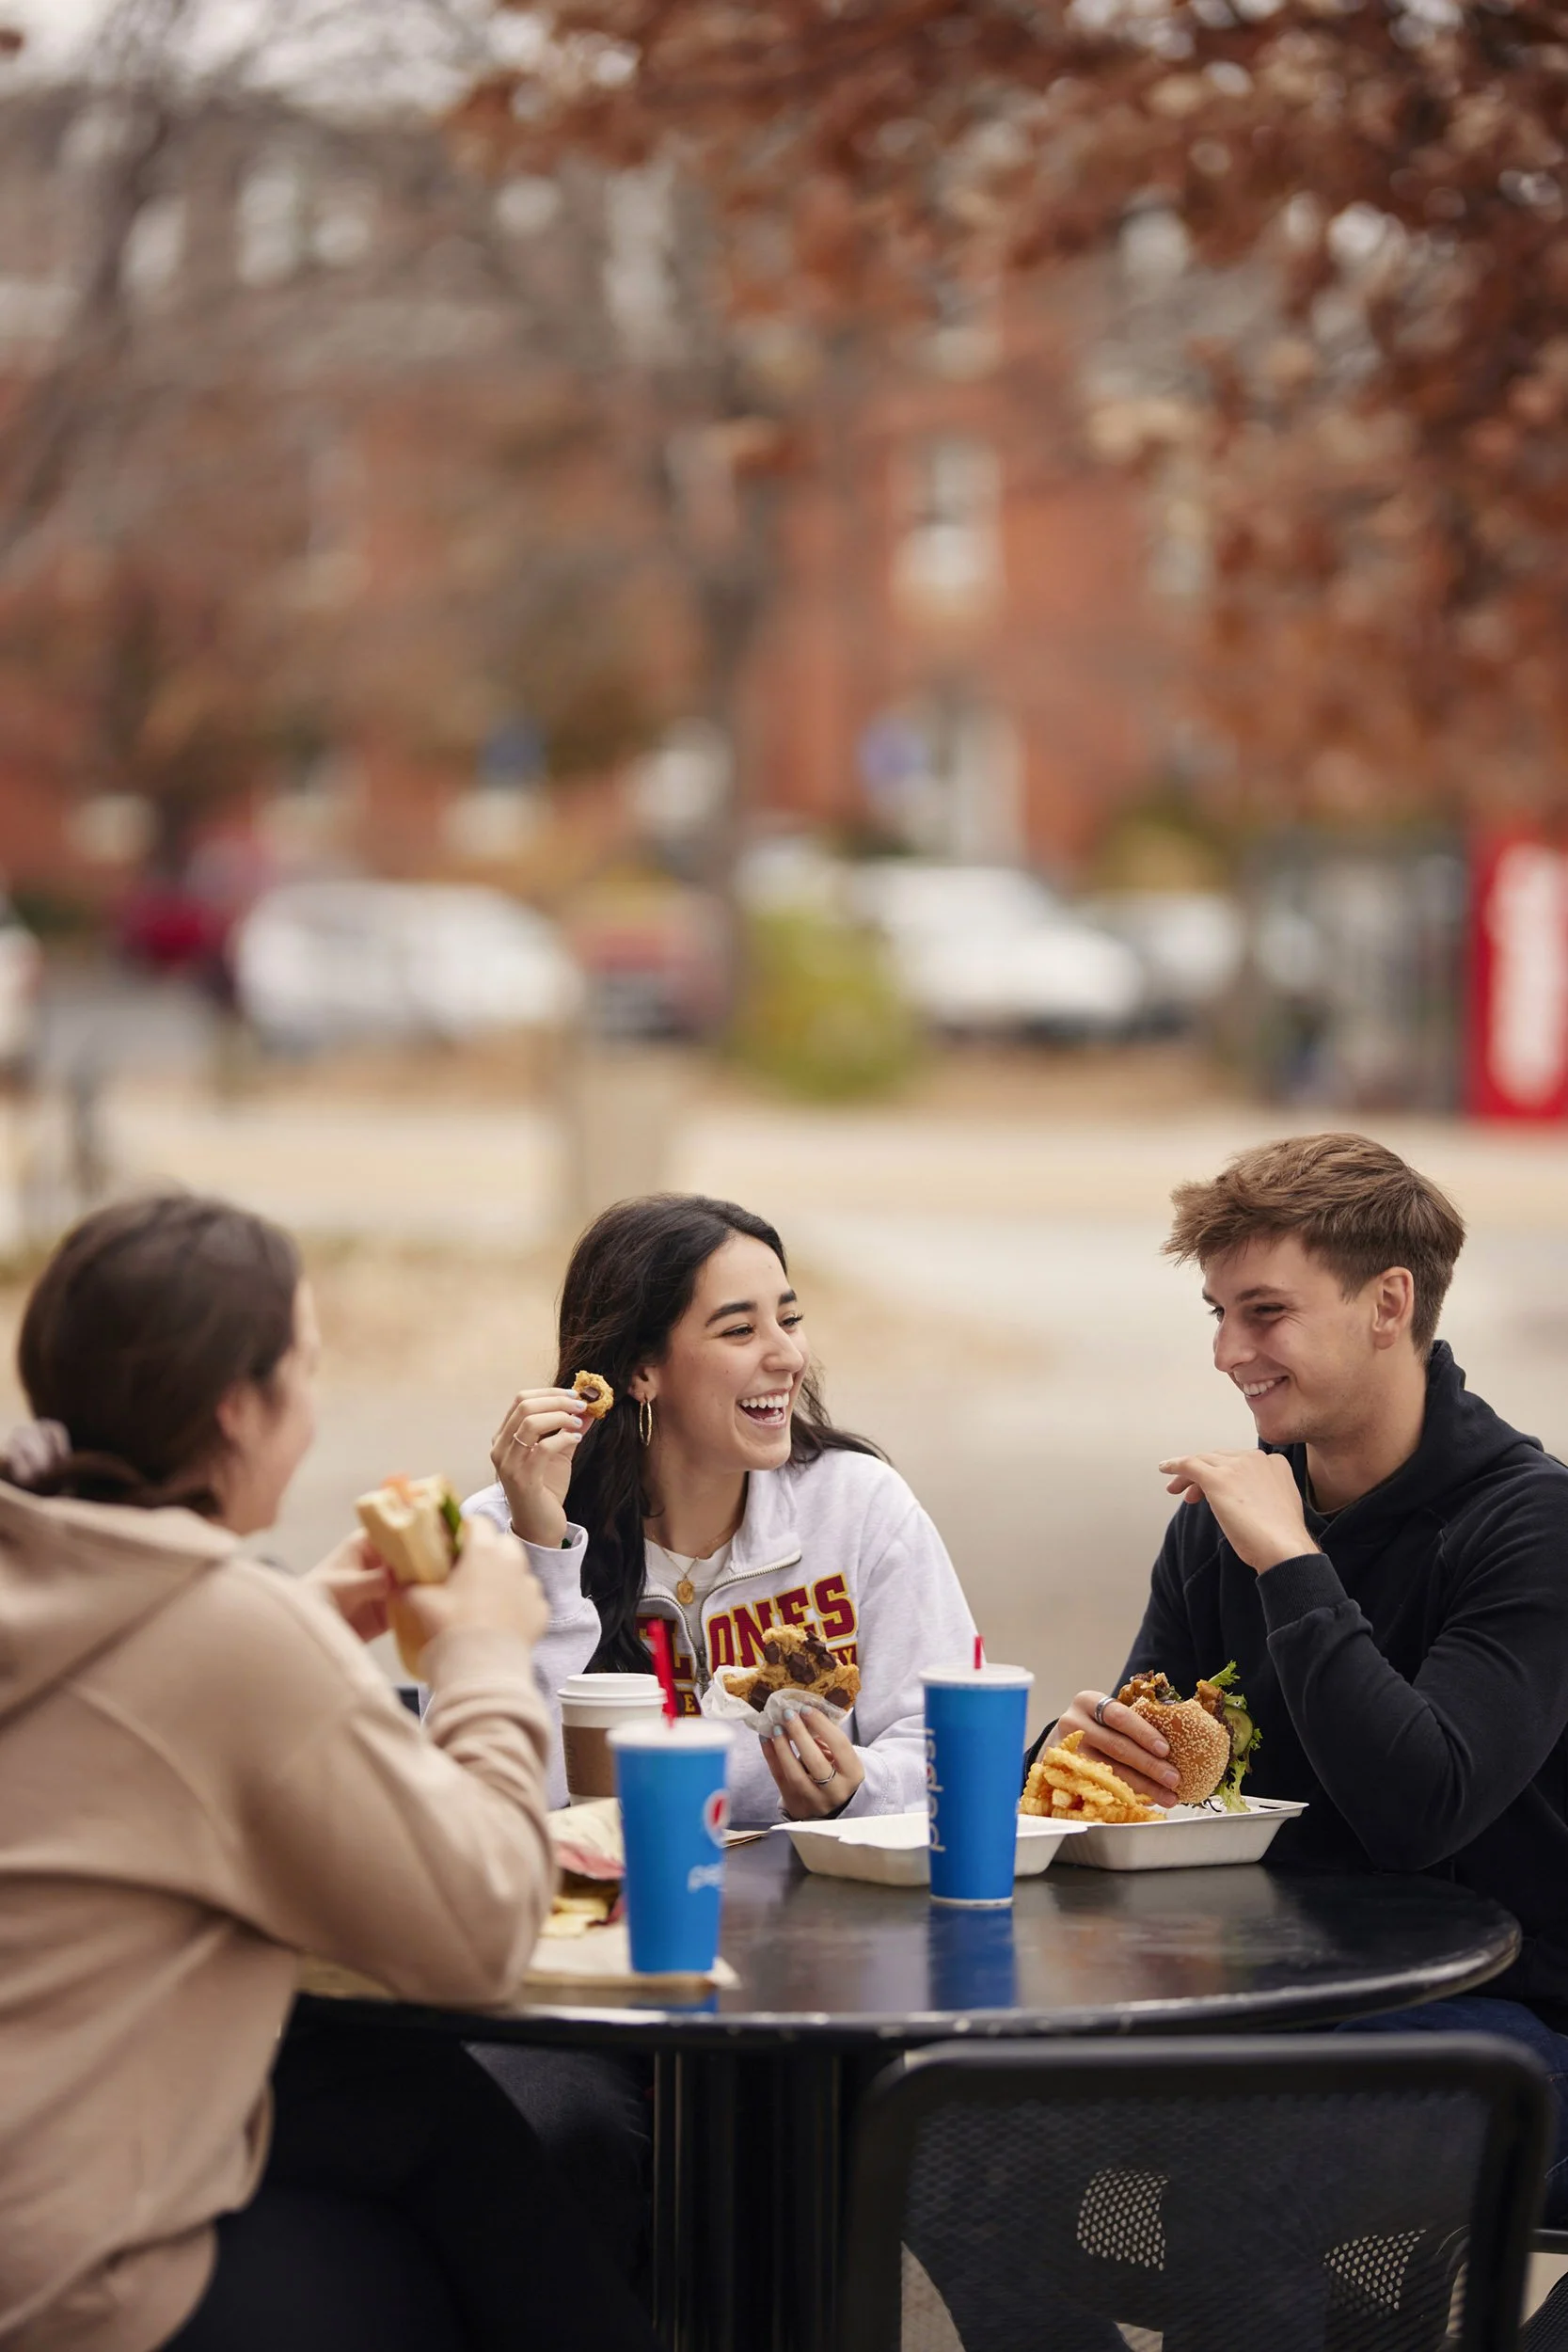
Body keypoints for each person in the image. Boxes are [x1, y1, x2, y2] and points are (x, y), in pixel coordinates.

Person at [0, 1191, 657, 2352]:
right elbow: (481, 1930)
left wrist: (301, 1615)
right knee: (434, 2265)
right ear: (237, 1410)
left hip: (52, 2126)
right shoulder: (231, 1635)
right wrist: (481, 1658)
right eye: (304, 1371)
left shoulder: (61, 1571)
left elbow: (137, 1704)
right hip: (68, 2275)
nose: (313, 1411)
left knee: (408, 2102)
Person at [1038, 1130, 1568, 2219]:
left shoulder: (1528, 1523)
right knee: (952, 2144)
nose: (1228, 1351)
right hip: (1267, 1990)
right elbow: (1158, 1791)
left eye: (1264, 1312)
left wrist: (1291, 1562)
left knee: (1249, 2173)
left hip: (1503, 2009)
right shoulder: (1220, 1525)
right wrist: (1096, 1755)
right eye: (1217, 1314)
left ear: (1386, 1304)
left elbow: (1420, 1810)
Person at [466, 1192, 977, 1827]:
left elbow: (954, 1750)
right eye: (739, 1330)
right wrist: (541, 1550)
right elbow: (489, 1804)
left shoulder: (859, 1506)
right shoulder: (496, 1535)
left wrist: (856, 1791)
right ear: (640, 1369)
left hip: (825, 1908)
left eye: (788, 1321)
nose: (788, 1357)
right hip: (614, 1914)